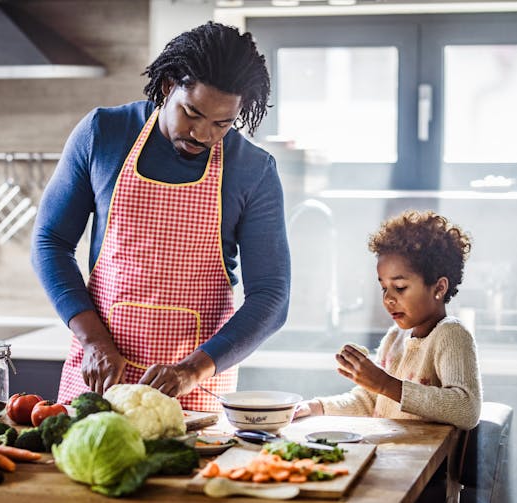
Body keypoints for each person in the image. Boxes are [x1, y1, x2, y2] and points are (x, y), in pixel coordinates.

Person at [31, 22, 290, 411]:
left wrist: (192, 370)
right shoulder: (103, 134)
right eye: (192, 113)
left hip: (193, 394)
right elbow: (49, 242)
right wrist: (94, 342)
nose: (202, 134)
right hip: (100, 378)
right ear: (168, 85)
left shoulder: (253, 170)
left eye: (222, 123)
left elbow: (271, 296)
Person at [295, 210, 482, 431]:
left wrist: (386, 384)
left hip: (426, 462)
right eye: (384, 287)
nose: (388, 298)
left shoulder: (450, 335)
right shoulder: (395, 337)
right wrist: (316, 407)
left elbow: (466, 408)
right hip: (392, 456)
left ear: (439, 287)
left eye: (400, 287)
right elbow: (370, 401)